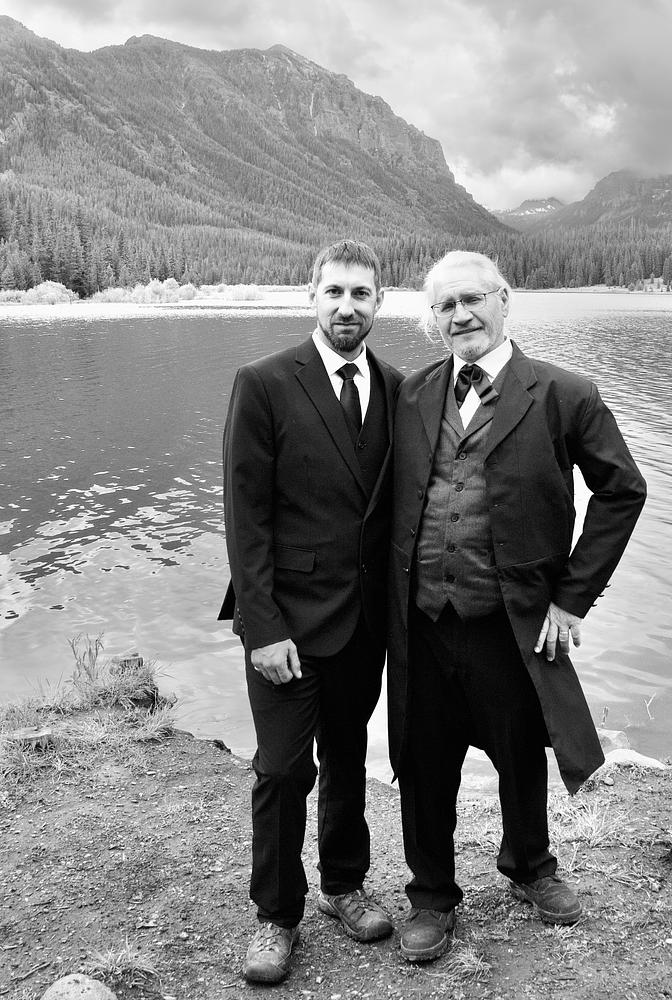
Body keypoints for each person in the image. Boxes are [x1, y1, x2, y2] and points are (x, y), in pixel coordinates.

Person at [386, 250, 646, 962]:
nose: (460, 315)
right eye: (445, 305)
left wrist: (572, 599)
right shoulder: (412, 394)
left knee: (521, 752)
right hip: (423, 620)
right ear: (432, 318)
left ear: (504, 300)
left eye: (472, 299)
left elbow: (622, 491)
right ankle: (431, 896)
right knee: (423, 762)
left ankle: (530, 866)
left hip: (513, 619)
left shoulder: (565, 393)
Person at [219, 240, 403, 984]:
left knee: (349, 758)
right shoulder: (263, 382)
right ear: (311, 297)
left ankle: (343, 886)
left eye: (361, 294)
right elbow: (245, 518)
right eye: (334, 292)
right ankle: (275, 915)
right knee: (283, 769)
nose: (347, 306)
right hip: (287, 624)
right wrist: (262, 628)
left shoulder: (397, 388)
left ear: (379, 302)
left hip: (363, 623)